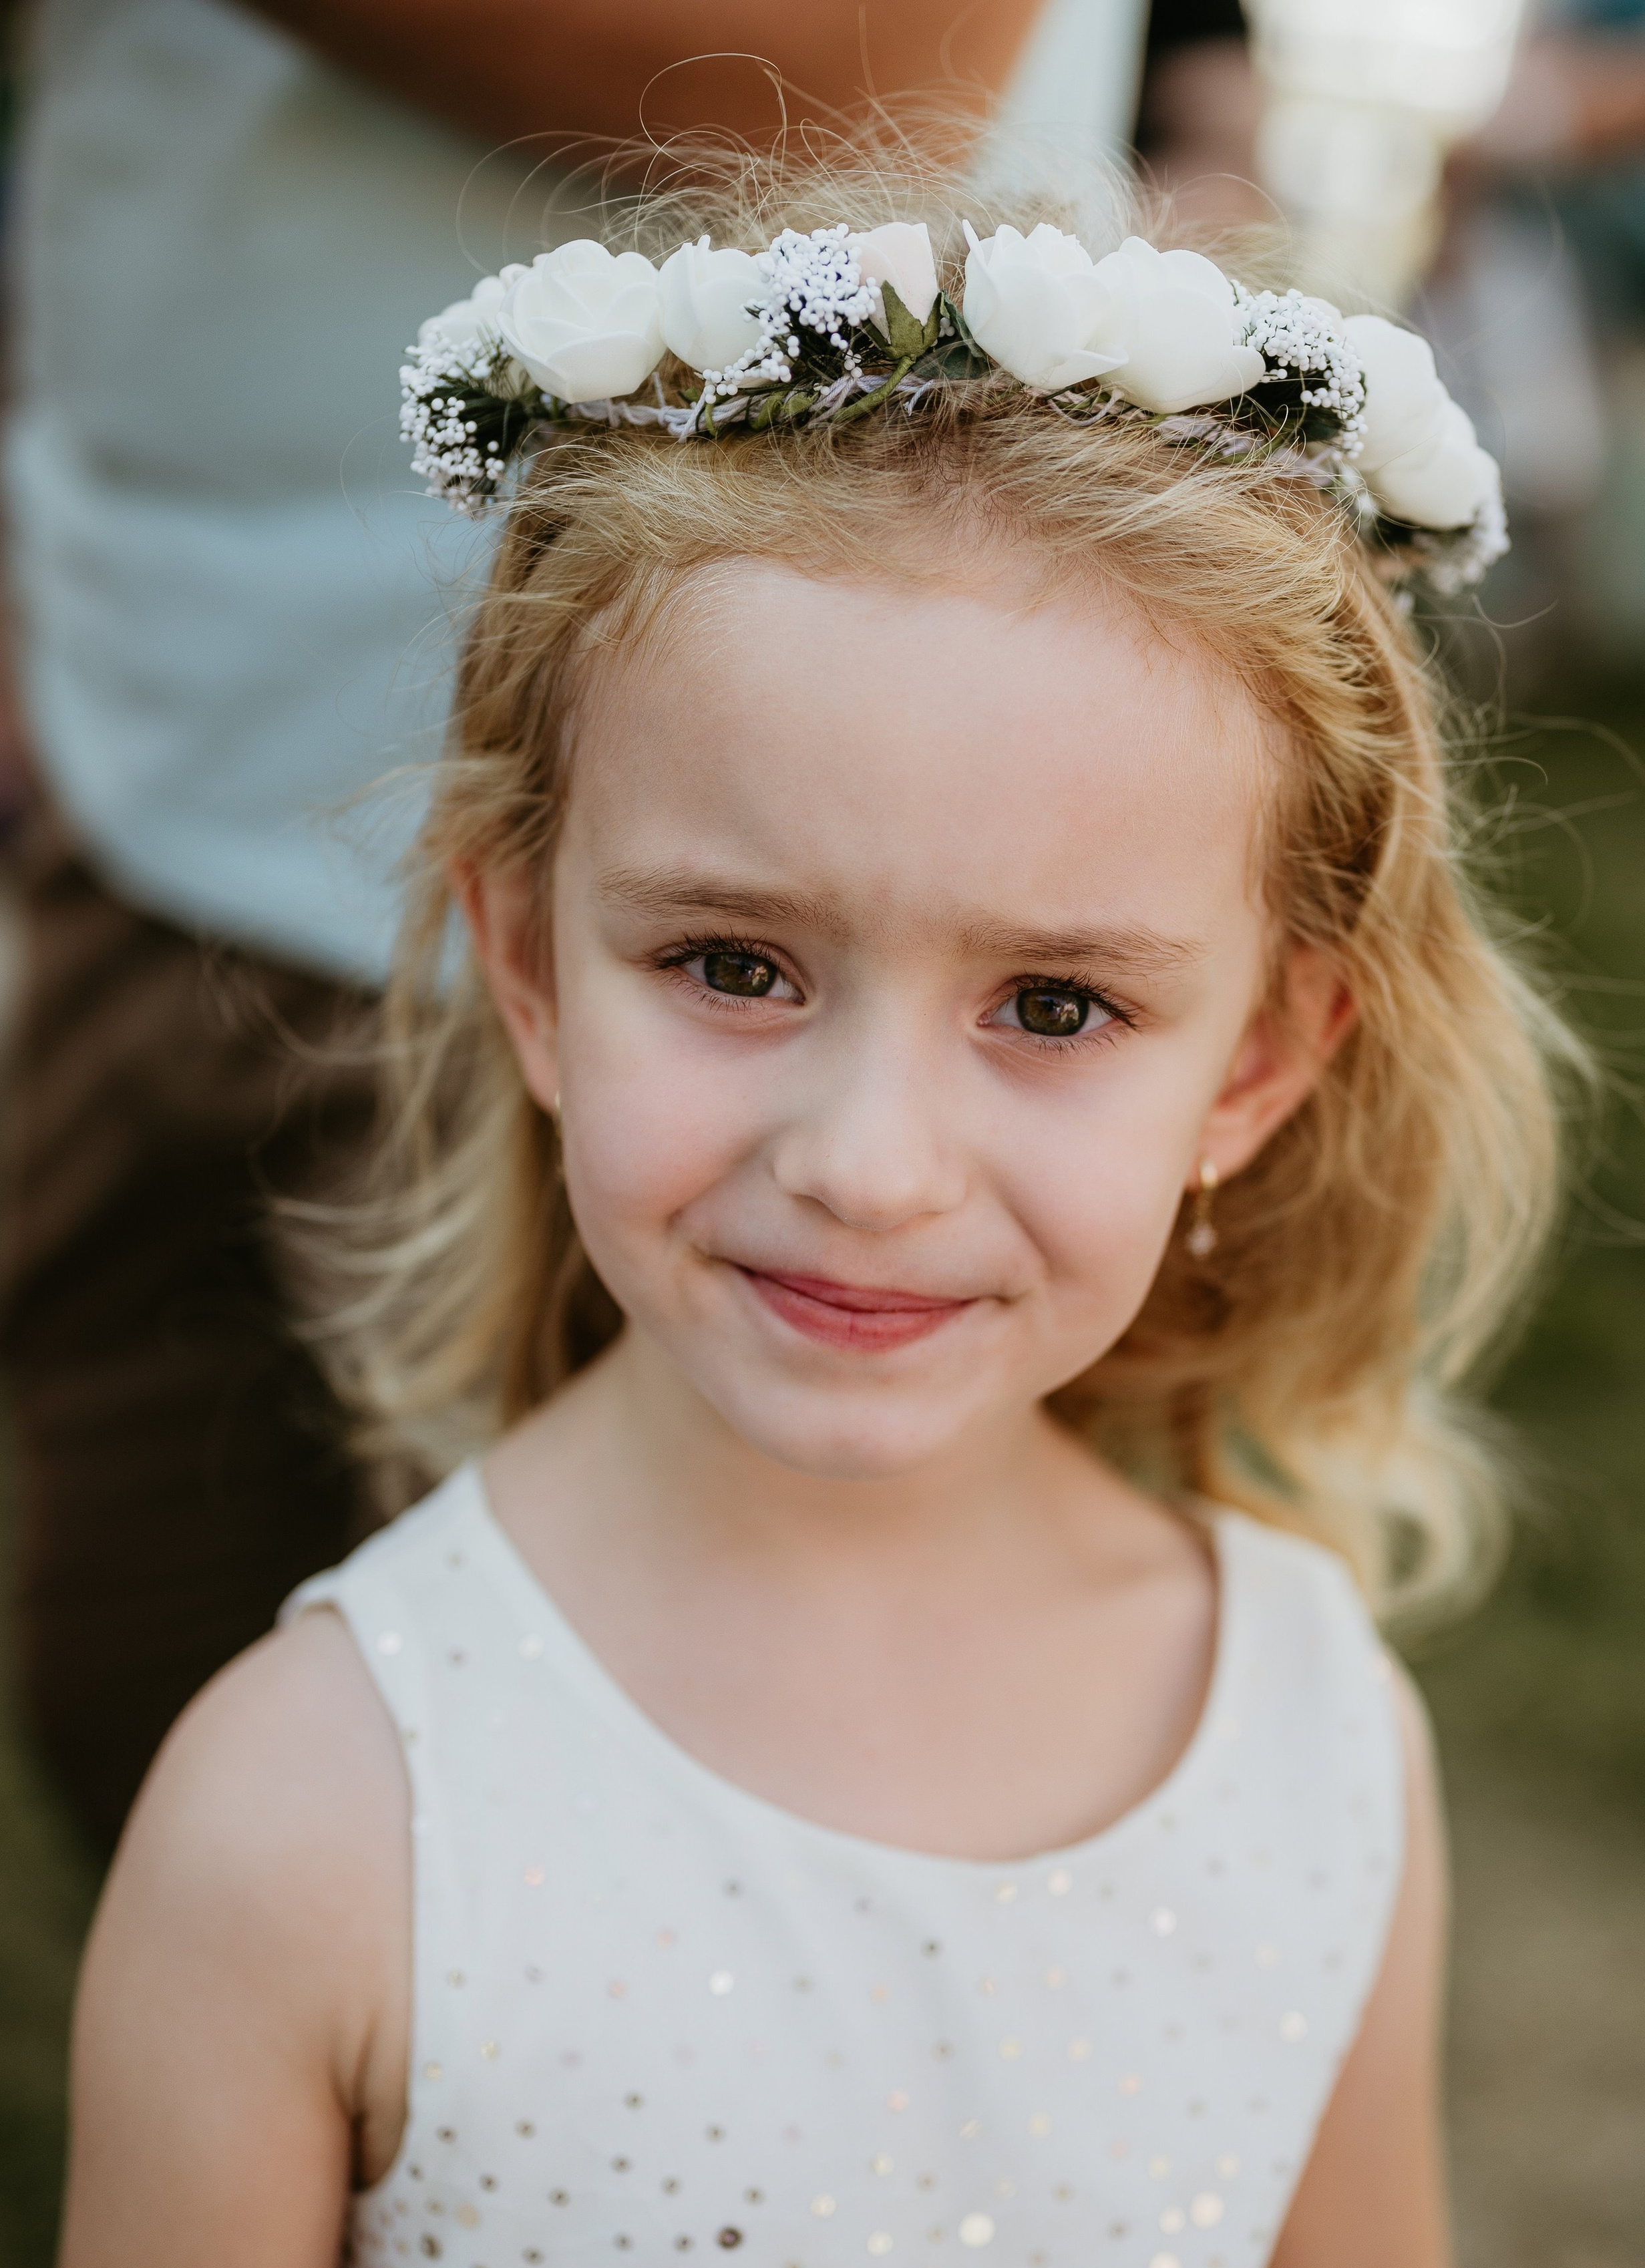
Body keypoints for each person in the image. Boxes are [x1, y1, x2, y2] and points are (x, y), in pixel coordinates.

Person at [23, 143, 1564, 2268]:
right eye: (733, 964)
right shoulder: (315, 1825)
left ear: (1256, 1071)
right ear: (525, 962)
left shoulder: (1302, 1728)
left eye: (1055, 1005)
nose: (867, 1159)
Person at [0, 0, 1149, 1851]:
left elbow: (861, 70)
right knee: (172, 1721)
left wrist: (735, 968)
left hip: (776, 777)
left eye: (1064, 1011)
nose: (875, 1173)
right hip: (163, 722)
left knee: (695, 1830)